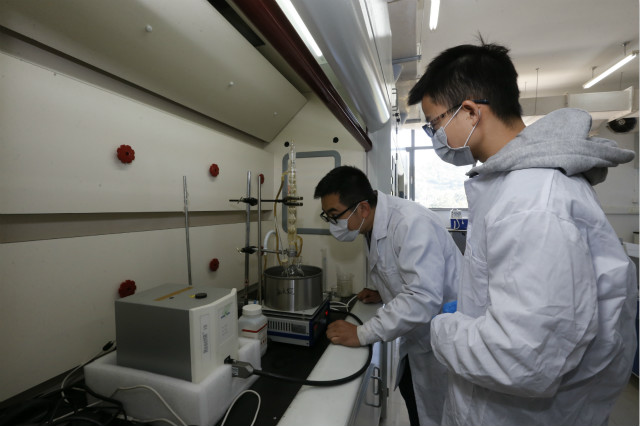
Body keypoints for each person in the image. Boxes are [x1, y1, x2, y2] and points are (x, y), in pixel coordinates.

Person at [407, 40, 638, 426]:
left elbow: (524, 358)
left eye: (435, 124)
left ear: (470, 112)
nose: (435, 136)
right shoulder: (514, 188)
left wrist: (443, 328)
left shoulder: (532, 202)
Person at [314, 165, 461, 426]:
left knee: (438, 413)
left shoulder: (410, 223)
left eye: (335, 216)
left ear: (362, 208)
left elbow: (422, 298)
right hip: (417, 337)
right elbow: (401, 270)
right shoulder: (371, 225)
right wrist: (384, 291)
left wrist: (362, 333)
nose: (333, 225)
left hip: (441, 341)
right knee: (415, 401)